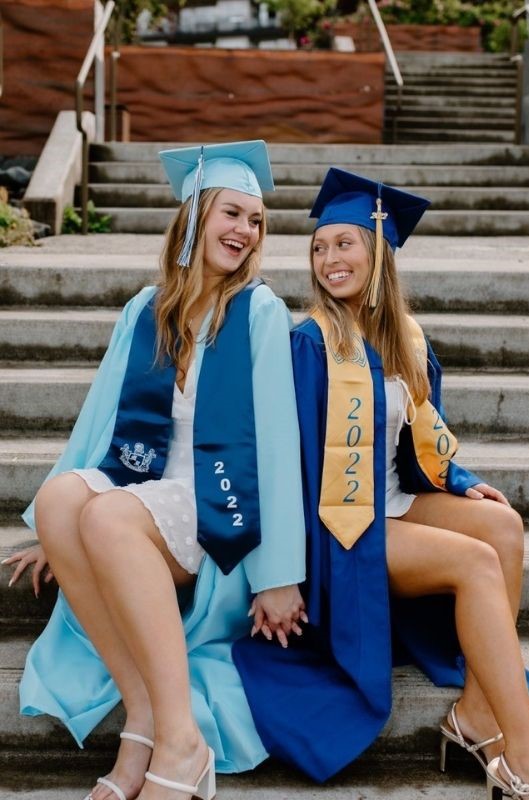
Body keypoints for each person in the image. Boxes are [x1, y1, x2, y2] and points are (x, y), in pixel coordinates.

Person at [2, 140, 307, 800]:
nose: (244, 231)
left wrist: (278, 573)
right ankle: (141, 714)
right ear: (194, 216)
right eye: (231, 213)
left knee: (108, 513)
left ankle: (180, 739)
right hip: (142, 486)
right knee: (61, 500)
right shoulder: (146, 308)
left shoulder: (258, 313)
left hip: (216, 504)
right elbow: (100, 419)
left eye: (255, 222)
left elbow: (279, 445)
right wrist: (54, 533)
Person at [233, 168, 528, 797]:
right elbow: (278, 460)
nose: (329, 259)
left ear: (380, 250)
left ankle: (475, 714)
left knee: (503, 524)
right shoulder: (309, 345)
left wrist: (464, 481)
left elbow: (421, 443)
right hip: (338, 528)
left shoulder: (404, 341)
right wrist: (274, 570)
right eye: (320, 247)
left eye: (345, 243)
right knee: (476, 563)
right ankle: (524, 751)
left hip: (390, 502)